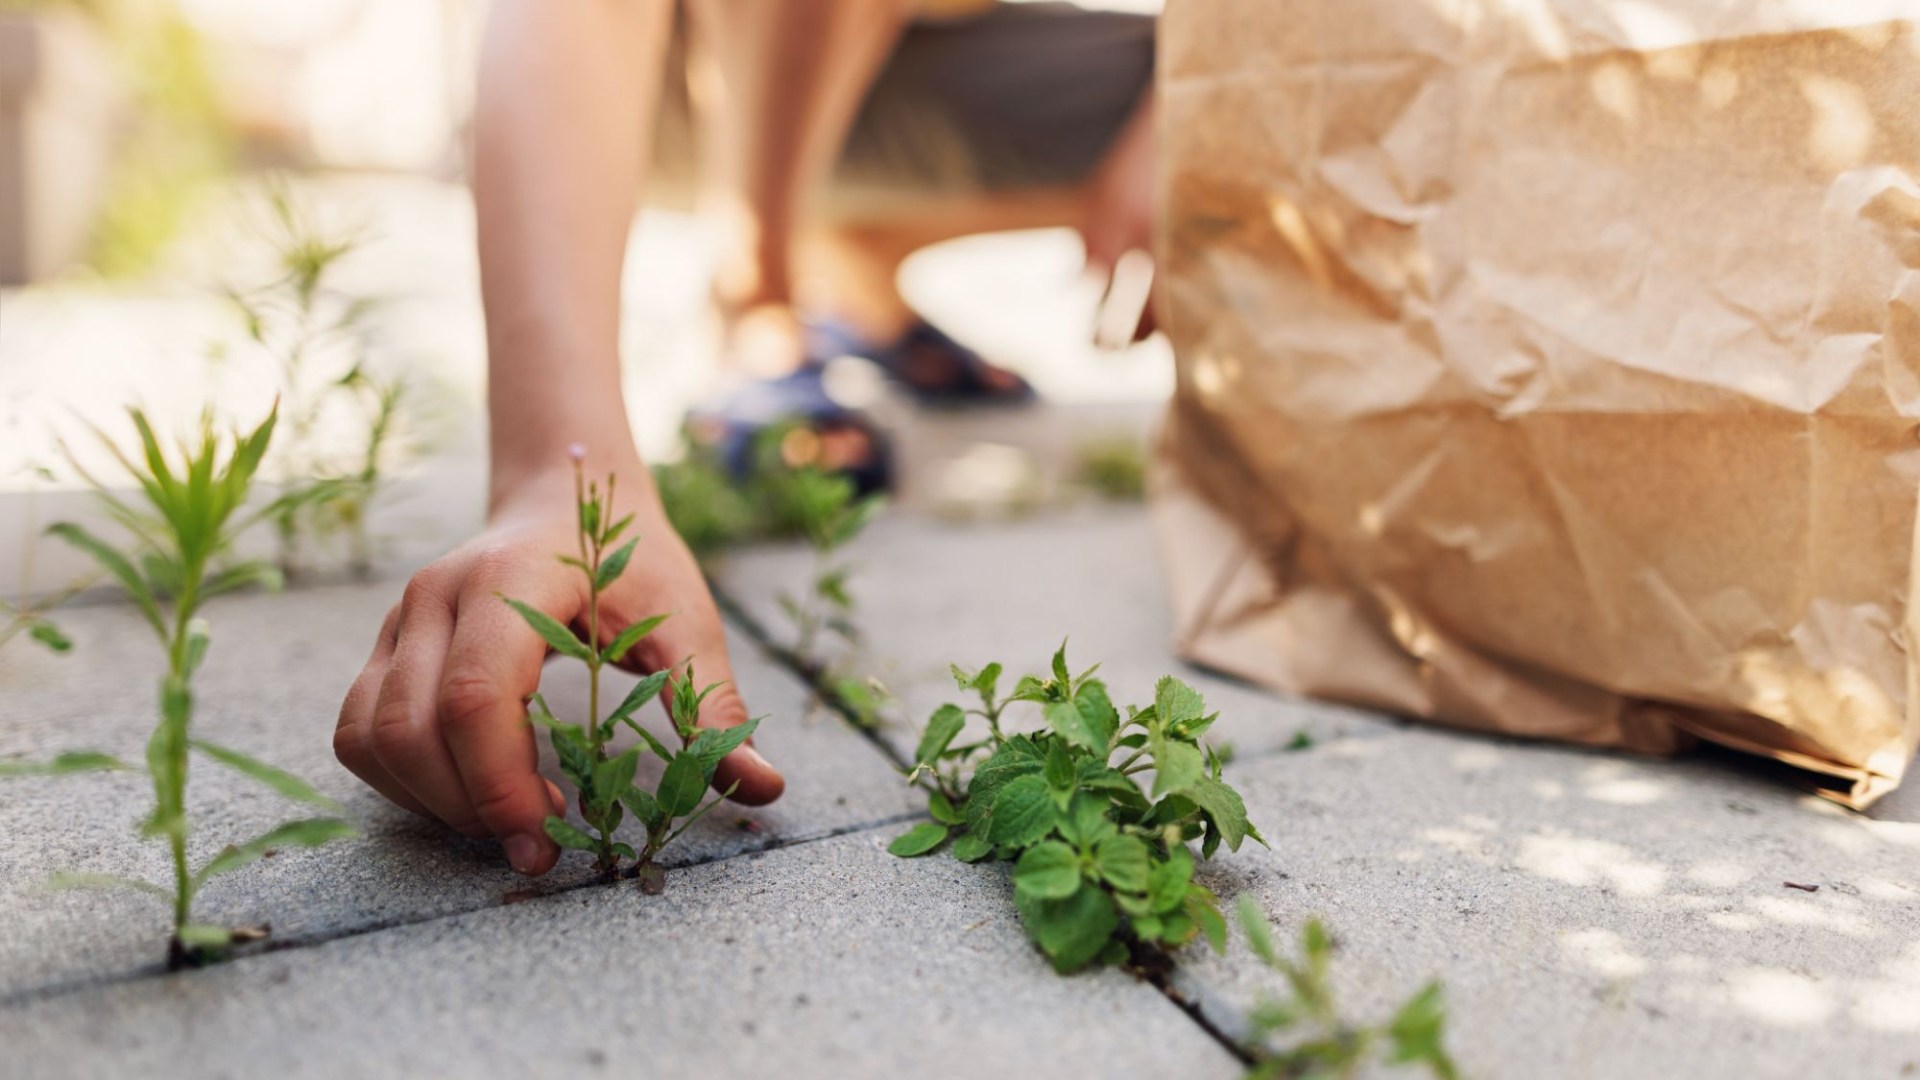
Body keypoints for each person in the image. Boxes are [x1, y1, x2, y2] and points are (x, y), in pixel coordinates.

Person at [332, 0, 1156, 876]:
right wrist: (559, 466)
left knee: (1271, 99)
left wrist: (1185, 113)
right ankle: (757, 288)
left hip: (926, 76)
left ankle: (848, 272)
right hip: (666, 81)